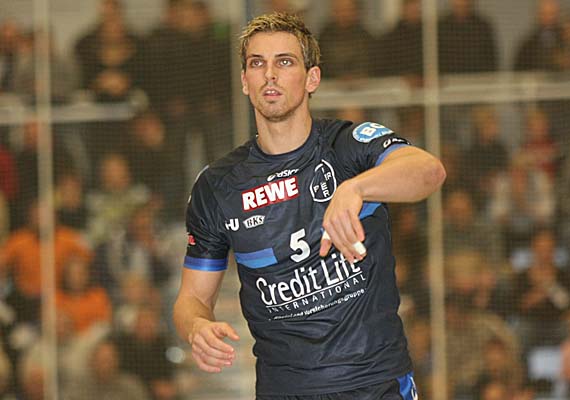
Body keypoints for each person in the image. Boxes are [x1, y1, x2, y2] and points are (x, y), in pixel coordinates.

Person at [173, 12, 446, 399]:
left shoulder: (348, 146)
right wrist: (196, 327)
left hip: (375, 385)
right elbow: (193, 299)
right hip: (285, 390)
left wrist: (356, 189)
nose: (270, 75)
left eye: (284, 62)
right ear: (245, 81)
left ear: (312, 78)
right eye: (257, 64)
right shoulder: (217, 186)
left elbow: (428, 171)